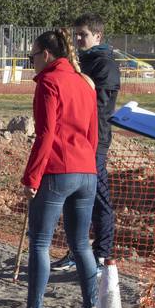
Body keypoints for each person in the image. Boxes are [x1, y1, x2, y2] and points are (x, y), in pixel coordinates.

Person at [0, 29, 99, 308]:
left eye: (32, 56)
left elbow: (46, 135)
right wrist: (88, 163)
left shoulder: (49, 82)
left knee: (40, 243)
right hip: (87, 169)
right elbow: (94, 133)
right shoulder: (85, 83)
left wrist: (32, 177)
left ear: (46, 55)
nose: (31, 62)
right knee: (81, 244)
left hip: (58, 170)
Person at [53, 14, 121, 271]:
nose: (79, 39)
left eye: (84, 35)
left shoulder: (105, 65)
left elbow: (99, 107)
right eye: (77, 34)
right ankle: (77, 251)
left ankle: (102, 255)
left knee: (98, 198)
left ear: (98, 36)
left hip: (94, 140)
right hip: (73, 138)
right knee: (74, 198)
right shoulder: (77, 62)